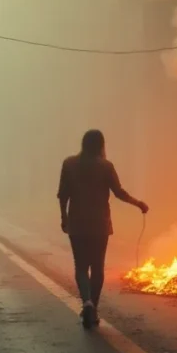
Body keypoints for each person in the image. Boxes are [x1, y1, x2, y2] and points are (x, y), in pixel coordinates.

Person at [58, 129, 148, 328]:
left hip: (77, 223)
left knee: (81, 266)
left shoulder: (69, 164)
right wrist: (139, 203)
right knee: (97, 266)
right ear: (101, 145)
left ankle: (87, 302)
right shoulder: (106, 166)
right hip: (100, 224)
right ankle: (94, 308)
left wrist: (64, 217)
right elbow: (119, 193)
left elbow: (62, 194)